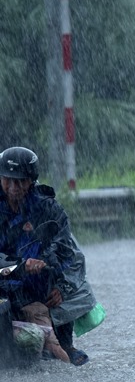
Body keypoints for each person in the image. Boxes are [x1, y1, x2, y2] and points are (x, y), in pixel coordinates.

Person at [0, 146, 96, 366]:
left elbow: (67, 252)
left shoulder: (49, 210)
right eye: (8, 181)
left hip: (41, 287)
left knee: (61, 350)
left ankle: (64, 345)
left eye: (20, 181)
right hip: (5, 282)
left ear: (31, 181)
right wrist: (20, 266)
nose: (13, 188)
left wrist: (59, 285)